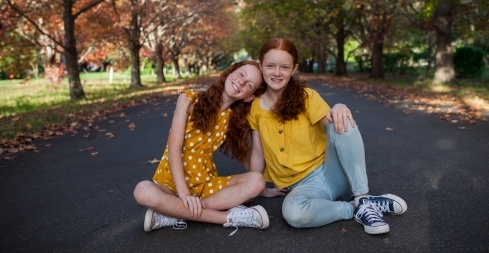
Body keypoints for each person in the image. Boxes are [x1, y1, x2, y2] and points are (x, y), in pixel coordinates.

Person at [248, 38, 407, 235]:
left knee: (344, 122)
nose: (277, 73)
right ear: (260, 66)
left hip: (332, 173)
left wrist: (339, 107)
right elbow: (257, 151)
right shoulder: (255, 107)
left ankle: (363, 198)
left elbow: (335, 129)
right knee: (294, 213)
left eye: (284, 67)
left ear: (294, 69)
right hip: (304, 189)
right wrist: (259, 187)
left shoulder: (306, 97)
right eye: (270, 66)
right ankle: (354, 209)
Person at [134, 61, 270, 236]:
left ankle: (173, 213)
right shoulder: (189, 99)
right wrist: (183, 194)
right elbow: (174, 148)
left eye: (249, 85)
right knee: (143, 191)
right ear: (231, 71)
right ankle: (229, 218)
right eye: (241, 74)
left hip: (204, 186)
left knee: (256, 181)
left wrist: (263, 189)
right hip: (171, 183)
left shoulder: (233, 121)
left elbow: (243, 154)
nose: (241, 83)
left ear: (249, 97)